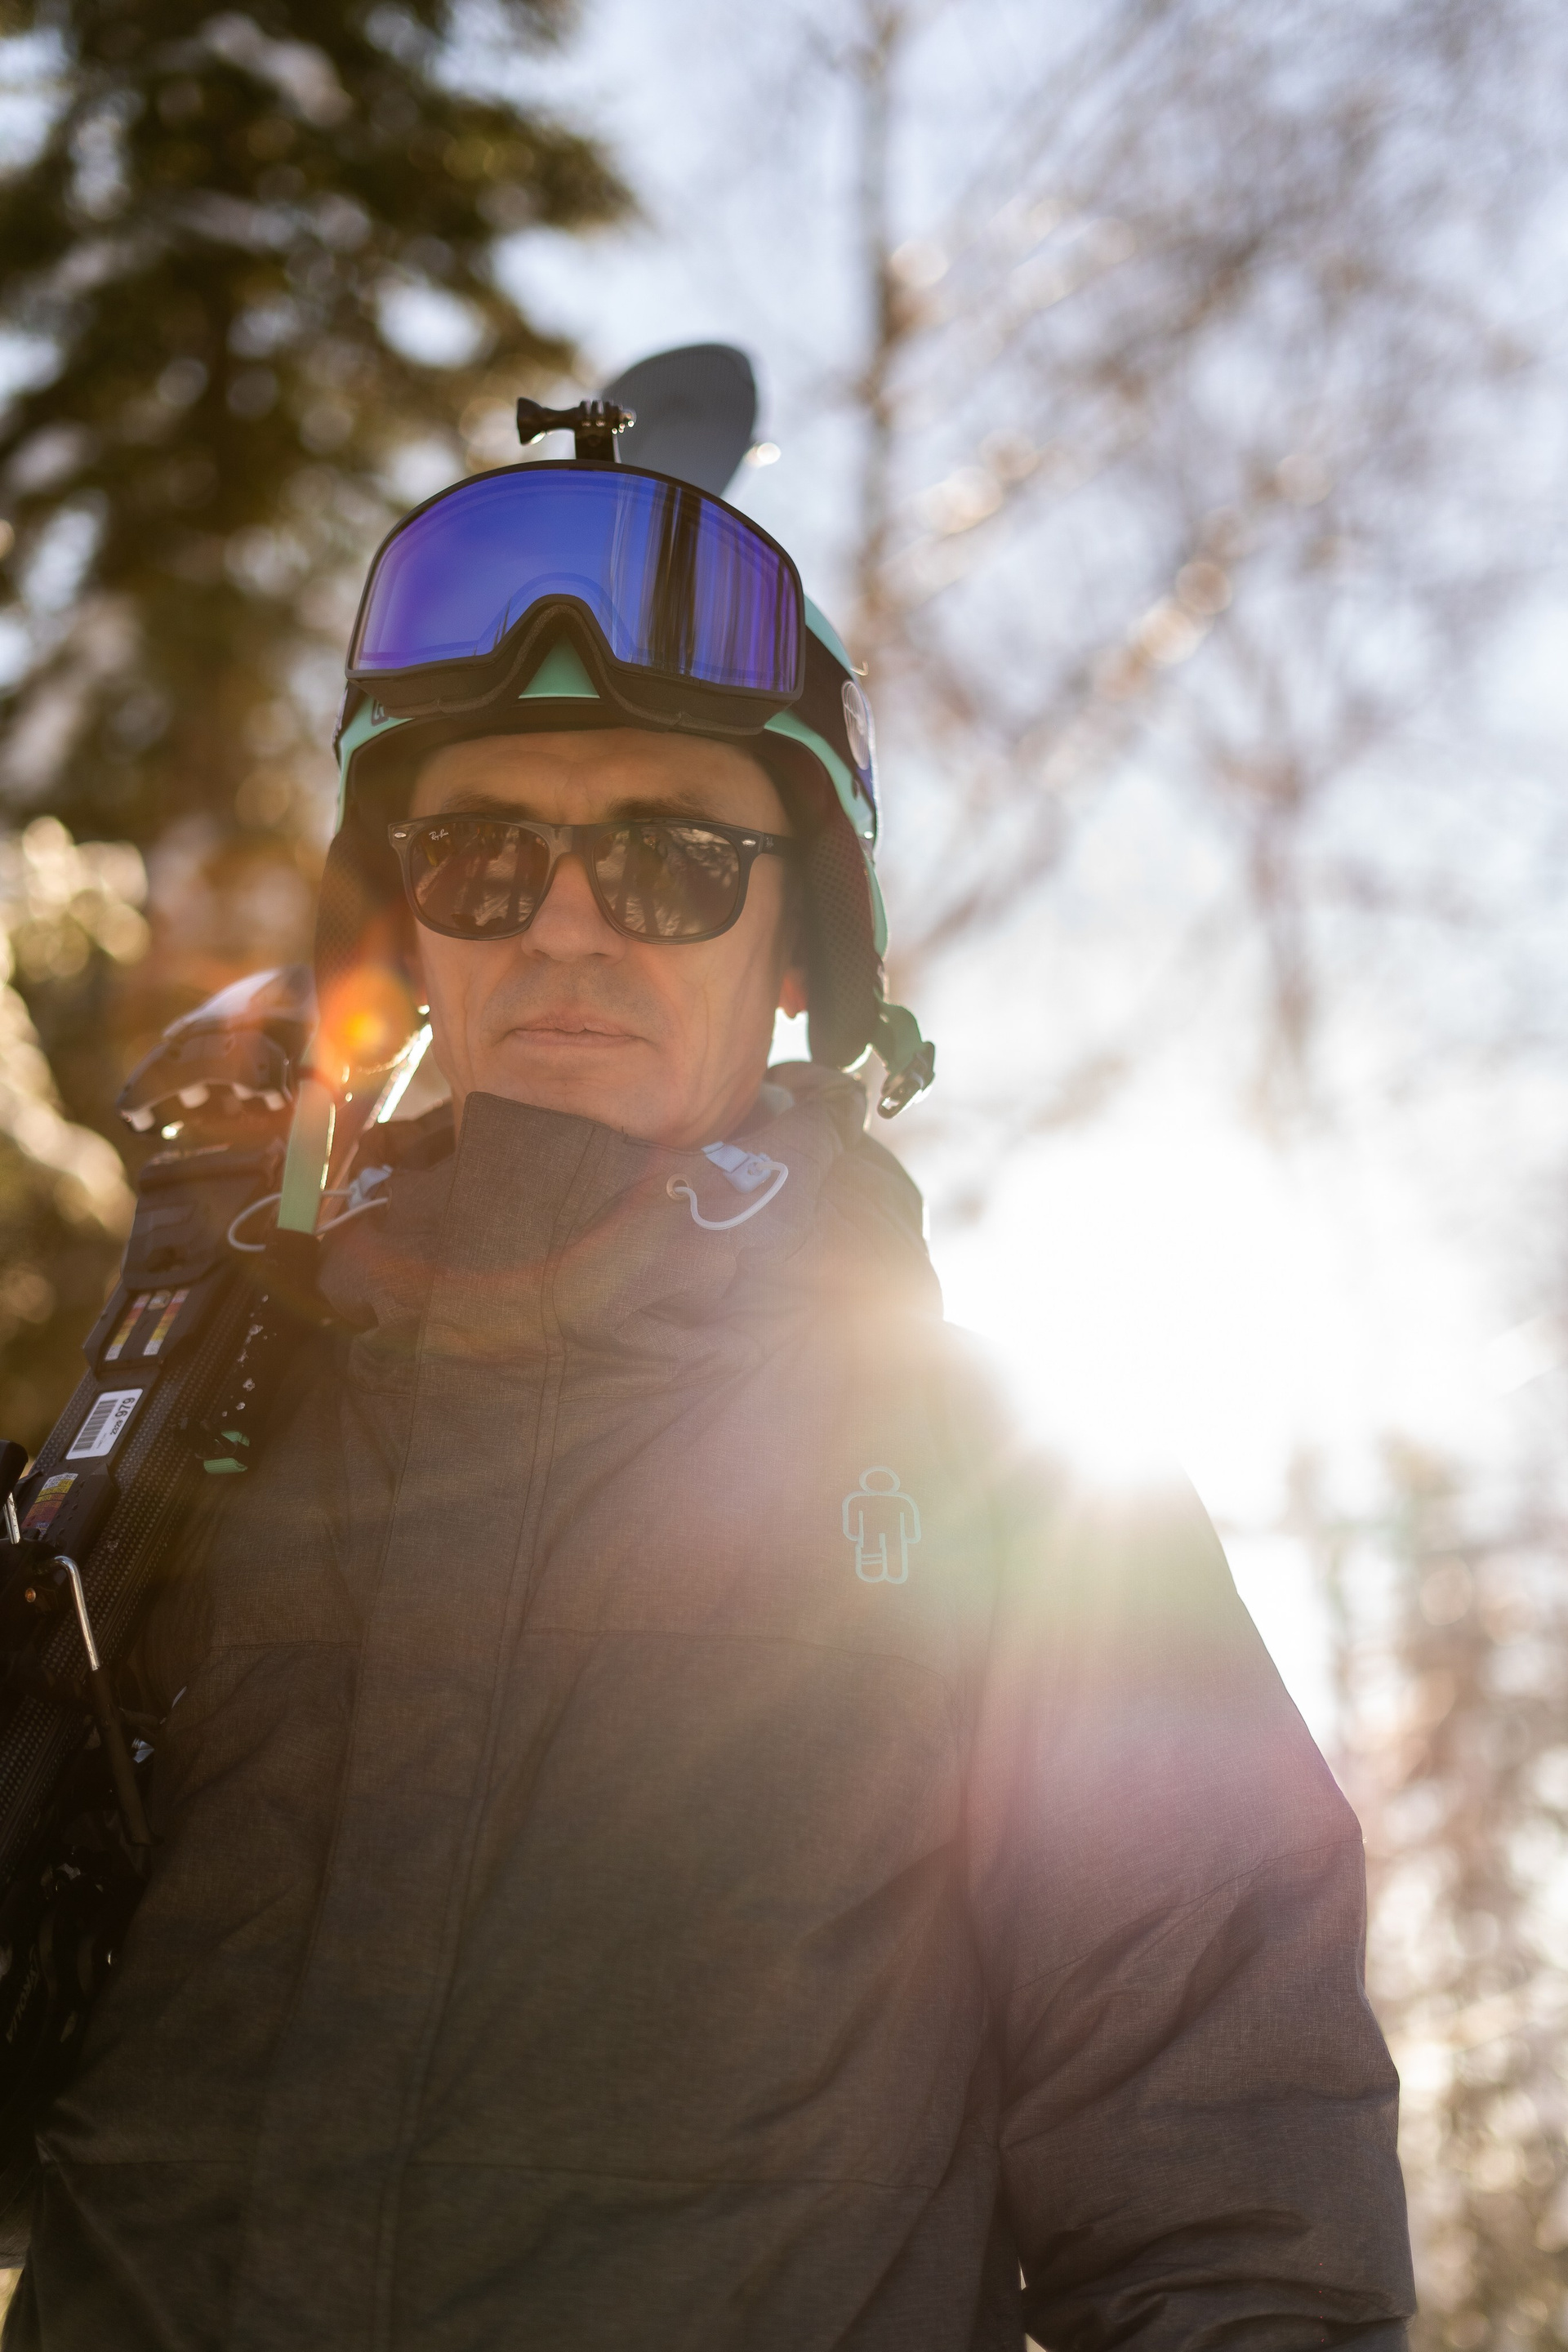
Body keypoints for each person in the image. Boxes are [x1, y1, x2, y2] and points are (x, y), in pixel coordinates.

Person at [6, 420, 1414, 2351]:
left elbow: (1240, 2238)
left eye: (671, 861)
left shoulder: (1020, 1503)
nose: (564, 919)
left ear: (798, 947)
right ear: (404, 928)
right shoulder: (195, 1432)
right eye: (482, 855)